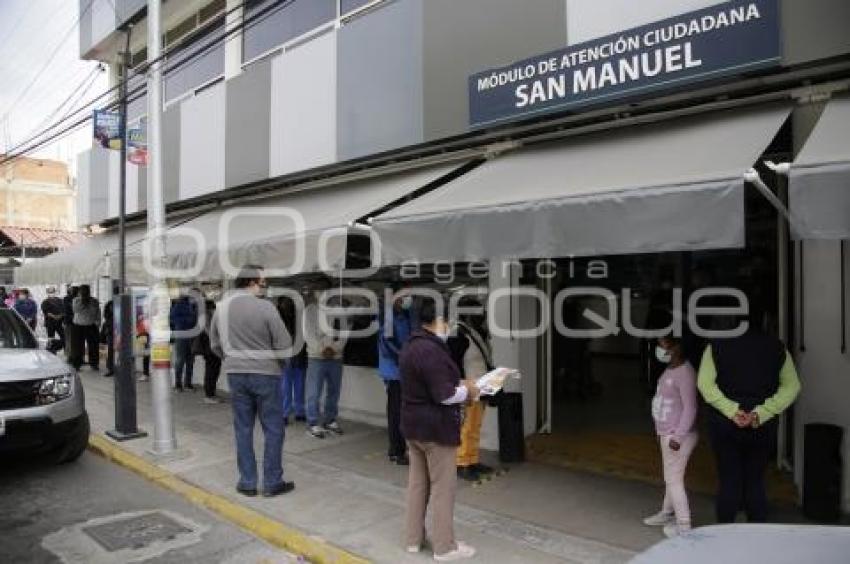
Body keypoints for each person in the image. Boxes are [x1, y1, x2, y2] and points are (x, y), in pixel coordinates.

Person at [697, 309, 801, 524]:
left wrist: (733, 411)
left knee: (729, 480)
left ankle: (725, 534)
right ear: (764, 320)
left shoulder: (716, 346)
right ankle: (756, 536)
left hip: (724, 425)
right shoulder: (777, 348)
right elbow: (792, 387)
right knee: (755, 480)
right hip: (761, 427)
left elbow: (704, 384)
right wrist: (760, 413)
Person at [401, 295, 478, 561]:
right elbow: (443, 395)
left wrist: (460, 385)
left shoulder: (412, 345)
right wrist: (468, 391)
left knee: (418, 485)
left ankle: (413, 540)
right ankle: (444, 547)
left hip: (414, 428)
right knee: (443, 489)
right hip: (435, 430)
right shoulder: (431, 350)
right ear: (440, 320)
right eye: (449, 320)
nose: (451, 326)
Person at [210, 265, 294, 498]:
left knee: (243, 429)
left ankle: (247, 482)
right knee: (273, 428)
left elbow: (214, 344)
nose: (264, 287)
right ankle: (272, 482)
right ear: (252, 282)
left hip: (236, 375)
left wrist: (231, 359)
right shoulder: (266, 307)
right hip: (266, 374)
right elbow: (283, 343)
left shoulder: (221, 308)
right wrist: (282, 363)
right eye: (263, 283)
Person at [643, 333, 699, 538]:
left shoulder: (685, 373)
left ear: (676, 347)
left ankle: (684, 526)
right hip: (668, 433)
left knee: (674, 480)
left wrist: (678, 437)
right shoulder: (672, 368)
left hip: (677, 436)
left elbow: (691, 408)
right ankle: (667, 513)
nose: (659, 348)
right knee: (671, 477)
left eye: (662, 344)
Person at [453, 298, 495, 482]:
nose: (482, 315)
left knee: (475, 427)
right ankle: (462, 463)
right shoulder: (458, 334)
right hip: (469, 388)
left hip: (482, 386)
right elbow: (453, 364)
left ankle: (472, 459)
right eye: (477, 312)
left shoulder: (476, 332)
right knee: (467, 427)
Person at [303, 285, 349, 439]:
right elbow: (308, 334)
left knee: (334, 391)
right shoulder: (310, 310)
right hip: (316, 357)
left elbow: (344, 332)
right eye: (321, 291)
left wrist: (335, 349)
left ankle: (330, 420)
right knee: (314, 392)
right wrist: (322, 349)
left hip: (336, 358)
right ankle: (313, 423)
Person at [377, 289, 413, 465]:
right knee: (395, 413)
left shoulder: (403, 316)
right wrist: (403, 356)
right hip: (394, 373)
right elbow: (387, 345)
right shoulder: (389, 318)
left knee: (402, 412)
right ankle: (395, 451)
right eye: (405, 297)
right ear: (396, 299)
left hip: (402, 371)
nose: (408, 300)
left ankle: (401, 449)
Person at [277, 295, 307, 425]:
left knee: (298, 386)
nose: (287, 306)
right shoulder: (278, 320)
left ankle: (298, 412)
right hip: (286, 357)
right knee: (286, 387)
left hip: (298, 356)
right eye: (285, 303)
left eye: (289, 303)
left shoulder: (299, 319)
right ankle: (285, 413)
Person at [194, 299, 222, 403]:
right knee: (212, 369)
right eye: (213, 307)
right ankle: (209, 395)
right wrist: (217, 340)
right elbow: (209, 331)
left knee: (213, 369)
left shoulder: (205, 315)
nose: (214, 309)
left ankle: (211, 393)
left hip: (209, 346)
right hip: (209, 347)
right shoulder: (205, 316)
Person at [170, 291, 199, 391]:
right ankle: (180, 384)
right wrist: (189, 321)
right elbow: (174, 319)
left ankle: (186, 383)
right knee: (182, 360)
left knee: (188, 360)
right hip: (182, 334)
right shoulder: (179, 306)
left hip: (188, 334)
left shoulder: (192, 306)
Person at [72, 285, 101, 370]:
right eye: (82, 291)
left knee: (93, 346)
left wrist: (98, 322)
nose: (84, 292)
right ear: (79, 292)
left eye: (86, 291)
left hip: (91, 325)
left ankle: (94, 364)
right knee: (77, 346)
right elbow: (76, 310)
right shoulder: (76, 300)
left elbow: (97, 312)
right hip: (78, 326)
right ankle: (77, 364)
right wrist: (82, 300)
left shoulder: (94, 301)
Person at [102, 287, 117, 377]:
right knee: (111, 350)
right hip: (111, 330)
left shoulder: (110, 303)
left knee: (112, 350)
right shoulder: (110, 304)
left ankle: (111, 368)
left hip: (113, 330)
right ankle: (111, 368)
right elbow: (106, 316)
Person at [63, 285, 79, 363]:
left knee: (74, 341)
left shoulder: (78, 299)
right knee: (69, 340)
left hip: (77, 322)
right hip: (70, 322)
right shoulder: (67, 299)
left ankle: (74, 357)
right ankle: (70, 357)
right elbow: (68, 309)